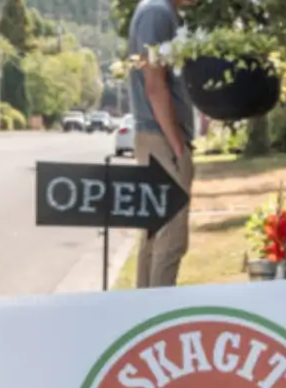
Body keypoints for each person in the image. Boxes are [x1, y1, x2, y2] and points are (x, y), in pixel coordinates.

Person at [127, 0, 196, 288]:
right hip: (161, 137)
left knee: (155, 235)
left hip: (158, 136)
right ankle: (160, 316)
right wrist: (178, 146)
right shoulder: (157, 13)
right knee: (170, 238)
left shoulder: (161, 12)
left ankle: (145, 314)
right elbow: (154, 83)